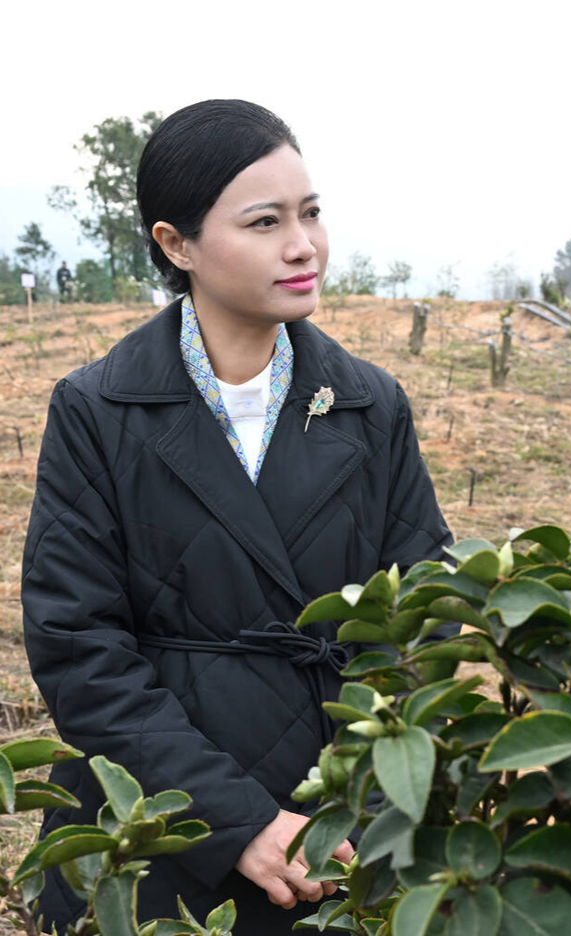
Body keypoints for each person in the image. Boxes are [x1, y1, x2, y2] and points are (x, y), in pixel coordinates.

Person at [21, 100, 452, 933]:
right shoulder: (98, 409)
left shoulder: (370, 405)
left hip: (337, 827)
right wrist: (239, 820)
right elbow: (80, 648)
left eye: (311, 213)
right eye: (264, 222)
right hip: (157, 821)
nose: (303, 245)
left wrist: (351, 799)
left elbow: (419, 615)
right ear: (176, 245)